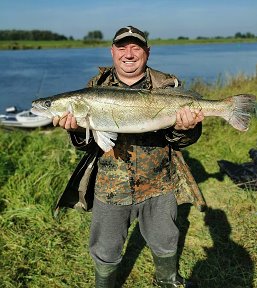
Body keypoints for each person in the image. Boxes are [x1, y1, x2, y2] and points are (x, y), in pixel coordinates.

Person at [53, 25, 204, 288]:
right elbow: (88, 145)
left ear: (147, 52)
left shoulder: (167, 86)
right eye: (122, 47)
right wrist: (77, 130)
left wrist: (184, 128)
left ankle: (167, 280)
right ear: (112, 52)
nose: (129, 54)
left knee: (166, 239)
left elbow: (184, 141)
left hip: (159, 183)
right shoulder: (94, 88)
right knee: (105, 247)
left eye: (136, 47)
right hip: (110, 187)